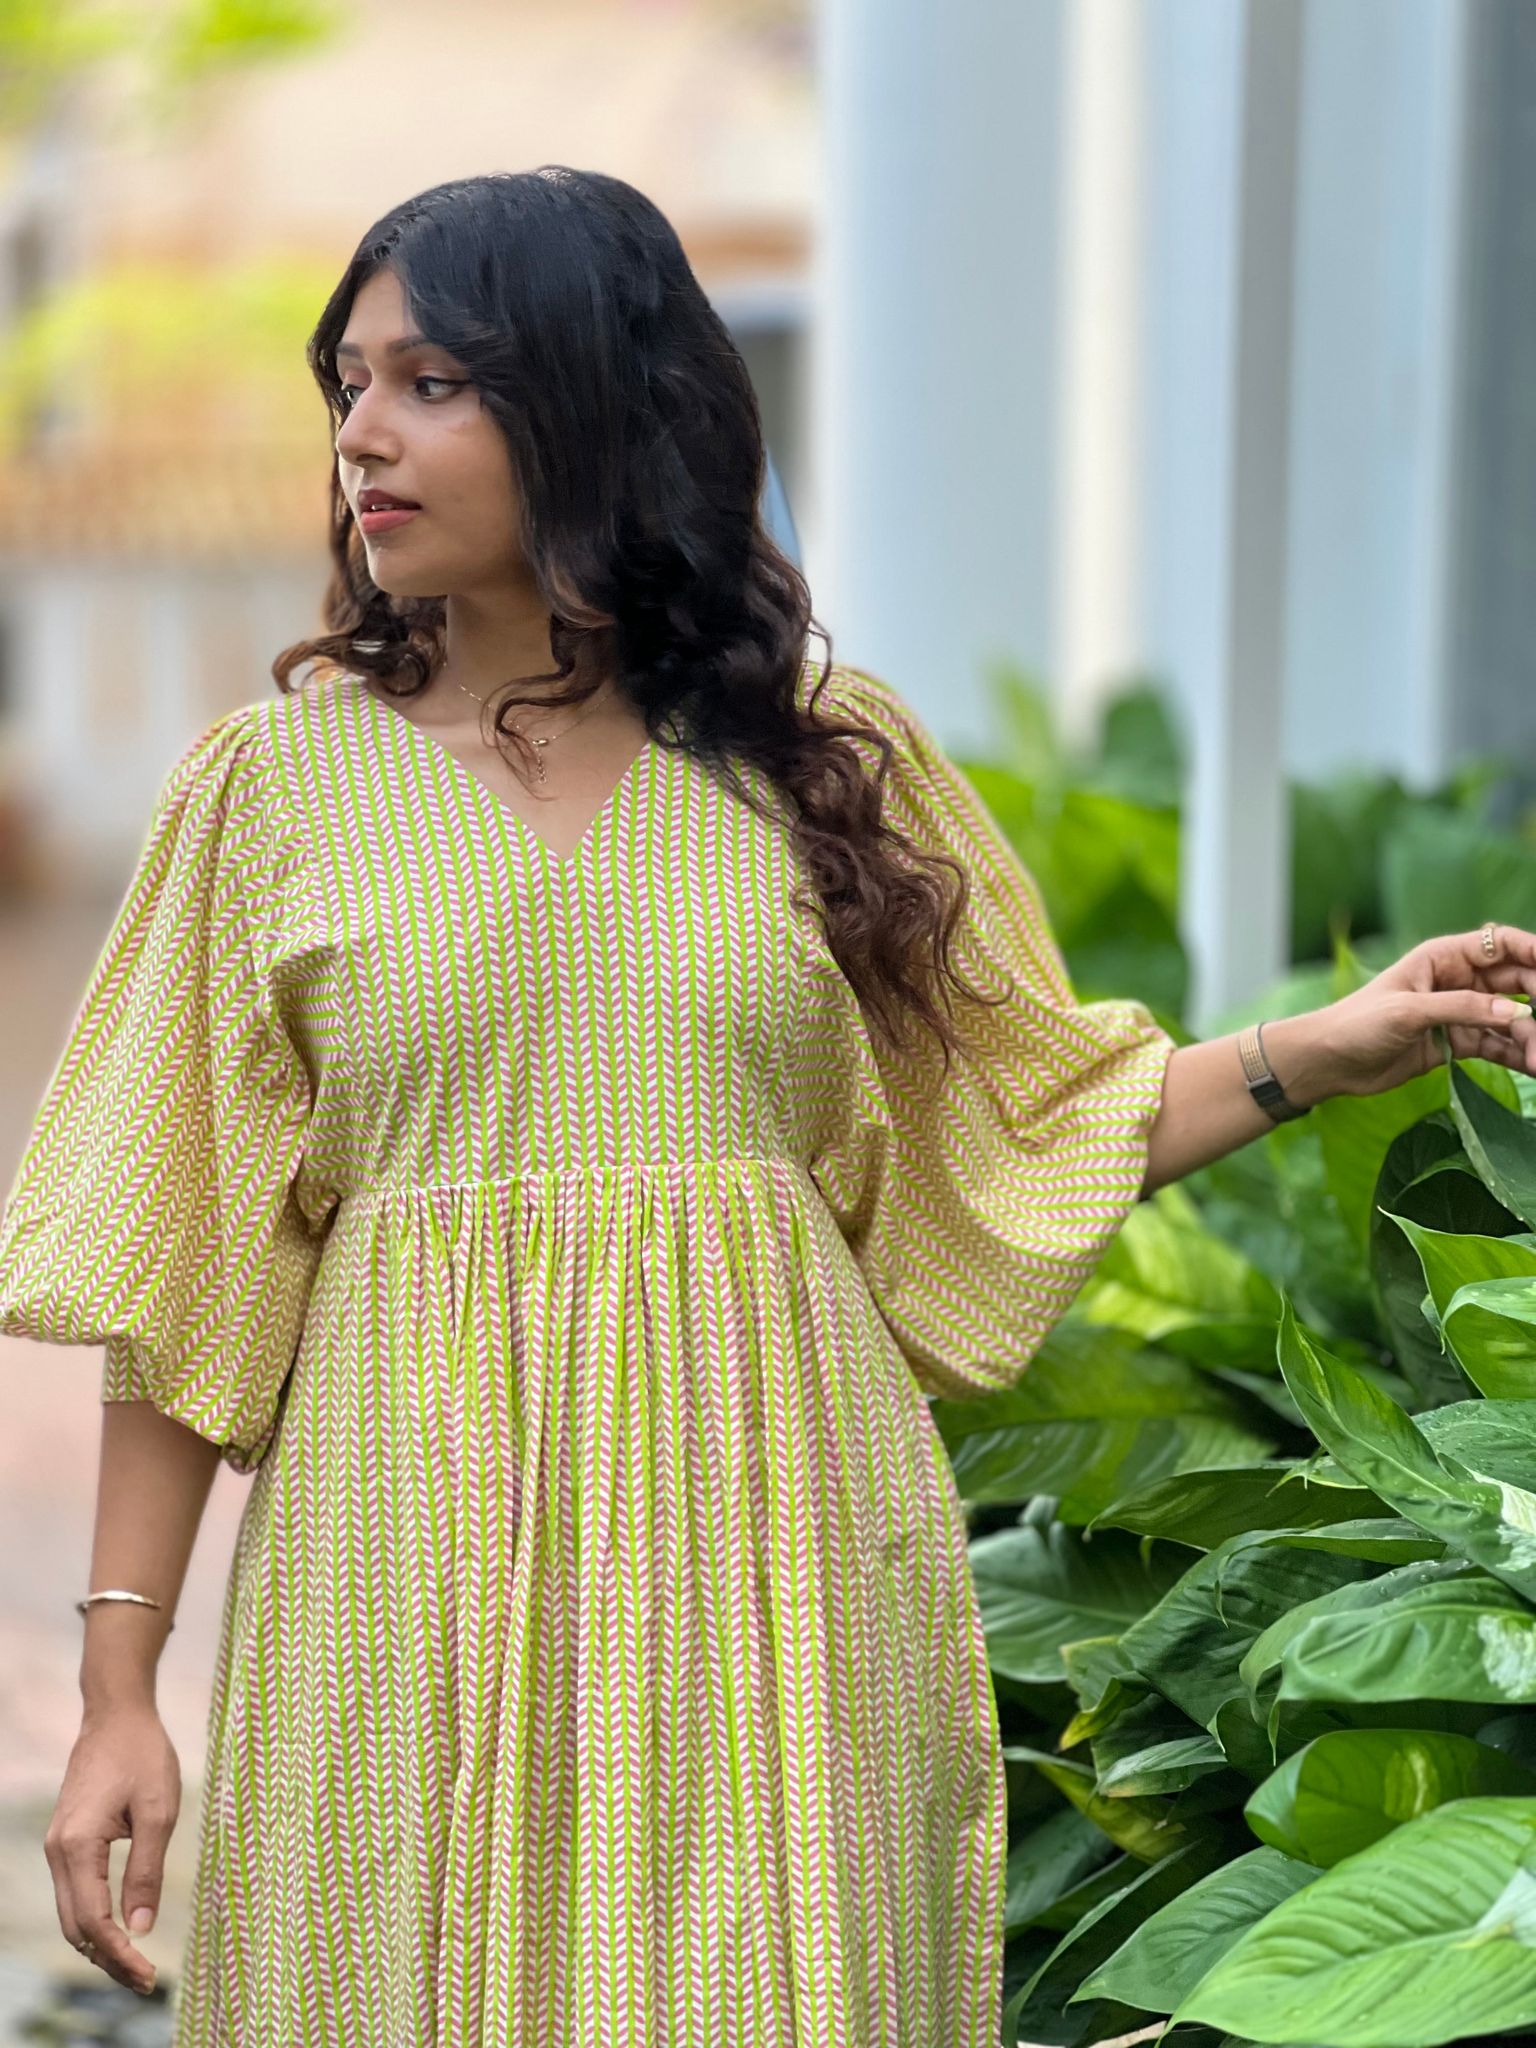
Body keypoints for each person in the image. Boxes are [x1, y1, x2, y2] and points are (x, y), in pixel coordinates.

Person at [1, 167, 1534, 2048]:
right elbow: (184, 1278)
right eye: (350, 385)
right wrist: (121, 1692)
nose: (363, 435)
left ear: (591, 399)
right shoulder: (264, 796)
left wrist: (1321, 1050)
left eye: (430, 383)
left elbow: (1027, 1128)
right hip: (405, 1567)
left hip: (776, 1574)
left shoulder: (824, 765)